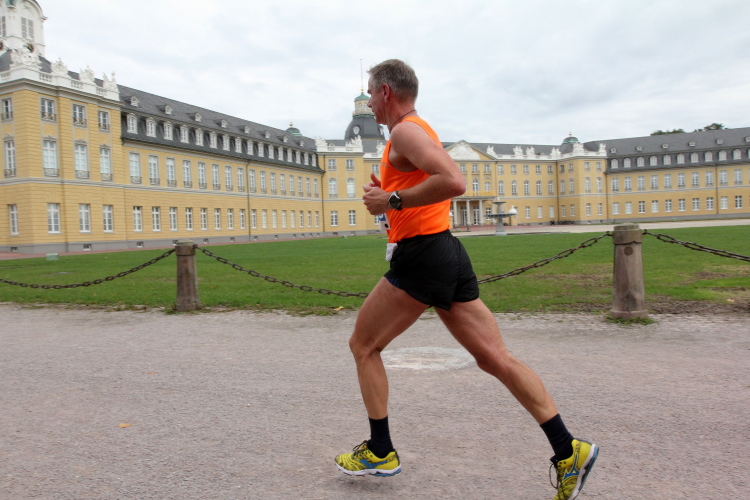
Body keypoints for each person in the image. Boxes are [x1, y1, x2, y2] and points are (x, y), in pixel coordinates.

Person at [333, 59, 598, 500]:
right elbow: (429, 185)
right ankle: (568, 449)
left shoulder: (405, 131)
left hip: (423, 256)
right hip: (445, 251)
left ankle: (380, 451)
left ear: (385, 92)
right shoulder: (417, 131)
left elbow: (454, 181)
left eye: (371, 92)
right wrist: (390, 197)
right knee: (494, 358)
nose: (371, 103)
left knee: (363, 346)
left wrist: (392, 199)